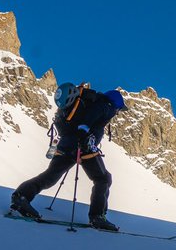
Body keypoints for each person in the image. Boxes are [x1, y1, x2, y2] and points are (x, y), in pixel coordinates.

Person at [11, 87, 126, 232]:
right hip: (83, 147)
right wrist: (83, 133)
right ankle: (97, 217)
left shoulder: (91, 102)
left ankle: (21, 197)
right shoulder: (105, 105)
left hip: (66, 144)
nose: (117, 113)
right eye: (119, 110)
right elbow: (88, 119)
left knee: (50, 177)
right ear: (116, 105)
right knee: (103, 179)